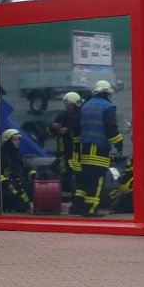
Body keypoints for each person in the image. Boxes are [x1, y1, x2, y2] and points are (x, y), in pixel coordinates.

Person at [73, 80, 123, 218]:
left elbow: (76, 130)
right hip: (99, 150)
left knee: (86, 179)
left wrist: (77, 146)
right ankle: (90, 209)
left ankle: (78, 207)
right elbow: (111, 128)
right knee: (98, 180)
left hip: (85, 149)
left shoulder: (85, 106)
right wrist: (119, 143)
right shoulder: (108, 107)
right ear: (108, 93)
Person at [47, 91, 83, 202]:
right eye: (66, 104)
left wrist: (68, 131)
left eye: (70, 104)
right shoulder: (61, 116)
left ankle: (77, 200)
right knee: (64, 176)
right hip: (63, 153)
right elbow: (49, 133)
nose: (67, 106)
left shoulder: (80, 116)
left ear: (76, 104)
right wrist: (53, 127)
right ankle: (65, 202)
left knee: (78, 177)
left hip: (77, 153)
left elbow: (81, 131)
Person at [0, 128, 35, 214]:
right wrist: (7, 183)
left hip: (20, 184)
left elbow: (27, 168)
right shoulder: (1, 156)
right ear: (8, 140)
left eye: (19, 139)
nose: (18, 141)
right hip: (8, 187)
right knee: (20, 204)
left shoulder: (18, 155)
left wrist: (33, 174)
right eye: (15, 139)